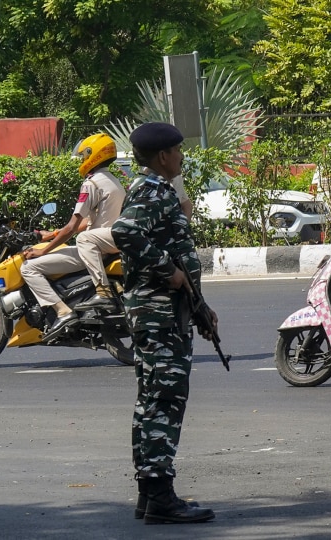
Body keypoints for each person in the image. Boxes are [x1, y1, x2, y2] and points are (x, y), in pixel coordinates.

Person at [110, 122, 216, 525]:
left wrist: (200, 306)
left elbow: (169, 245)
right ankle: (161, 497)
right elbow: (126, 232)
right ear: (163, 157)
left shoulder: (154, 188)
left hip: (164, 311)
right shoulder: (153, 189)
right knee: (165, 401)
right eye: (177, 150)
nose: (182, 157)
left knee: (153, 399)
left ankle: (150, 495)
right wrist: (168, 272)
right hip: (158, 313)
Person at [21, 133, 126, 339]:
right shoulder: (113, 181)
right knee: (79, 240)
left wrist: (43, 249)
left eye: (83, 156)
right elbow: (87, 222)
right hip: (109, 242)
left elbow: (73, 226)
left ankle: (63, 311)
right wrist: (51, 234)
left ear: (91, 155)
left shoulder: (92, 184)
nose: (82, 161)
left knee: (29, 267)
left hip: (96, 246)